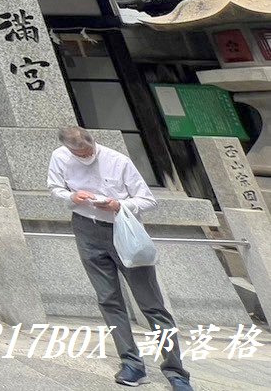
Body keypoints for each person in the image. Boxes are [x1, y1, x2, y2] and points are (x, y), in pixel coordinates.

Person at [48, 126, 193, 390]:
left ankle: (176, 371)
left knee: (152, 304)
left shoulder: (117, 161)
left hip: (124, 229)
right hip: (85, 227)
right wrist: (72, 196)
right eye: (78, 153)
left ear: (95, 143)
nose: (84, 156)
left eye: (87, 151)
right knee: (108, 300)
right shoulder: (60, 157)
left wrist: (119, 205)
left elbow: (147, 199)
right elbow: (55, 188)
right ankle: (132, 363)